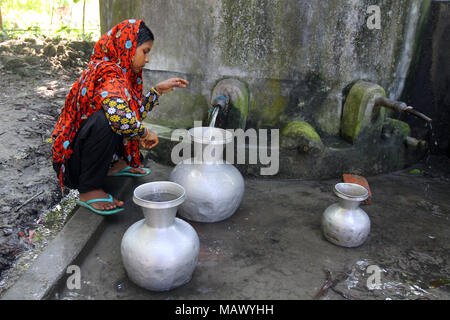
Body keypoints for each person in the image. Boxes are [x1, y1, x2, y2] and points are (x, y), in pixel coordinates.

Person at [51, 19, 189, 215]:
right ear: (128, 46)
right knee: (108, 119)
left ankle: (115, 165)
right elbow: (121, 119)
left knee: (118, 116)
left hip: (82, 153)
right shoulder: (108, 72)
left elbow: (132, 115)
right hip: (72, 164)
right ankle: (89, 190)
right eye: (145, 51)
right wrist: (144, 132)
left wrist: (157, 90)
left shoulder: (121, 73)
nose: (147, 59)